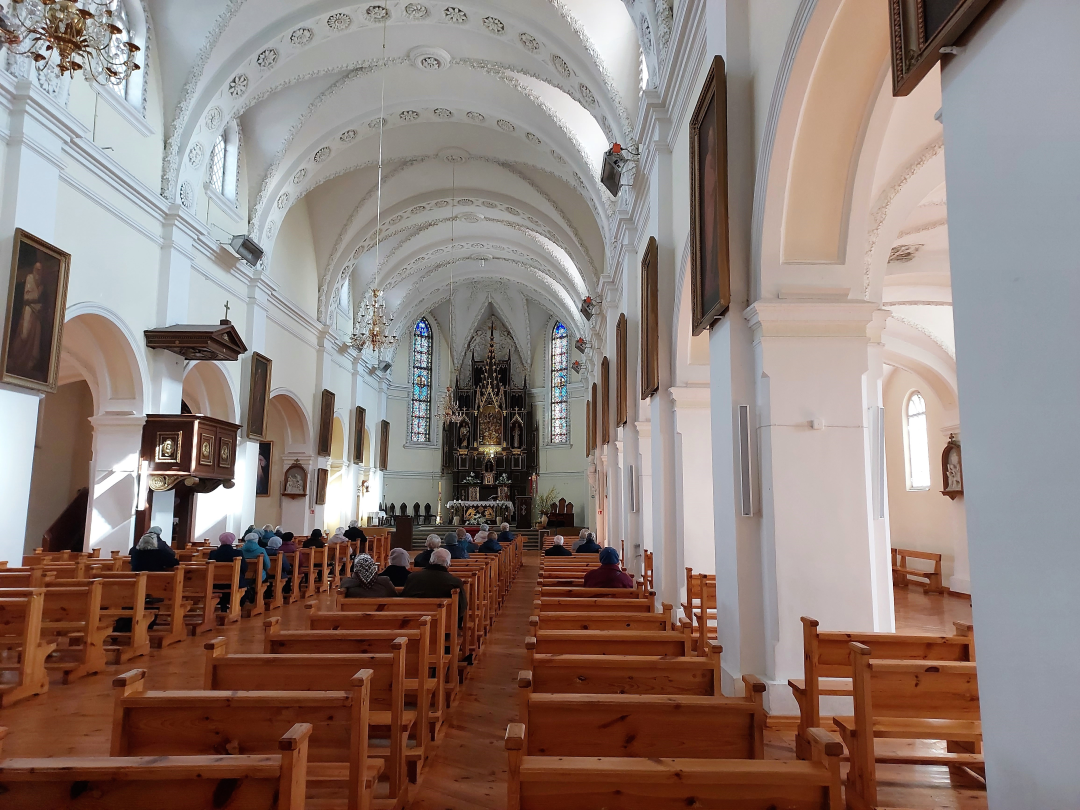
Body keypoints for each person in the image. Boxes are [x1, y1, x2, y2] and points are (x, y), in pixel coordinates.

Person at [402, 548, 467, 624]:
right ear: (448, 564)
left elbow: (404, 598)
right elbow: (462, 608)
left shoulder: (412, 577)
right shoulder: (454, 582)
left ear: (430, 561)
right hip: (443, 625)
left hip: (413, 623)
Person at [207, 532, 245, 610]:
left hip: (215, 583)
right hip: (234, 582)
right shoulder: (237, 553)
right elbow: (244, 567)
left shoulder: (213, 553)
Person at [240, 532, 271, 604]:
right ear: (256, 540)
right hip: (257, 575)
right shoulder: (261, 550)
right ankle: (264, 597)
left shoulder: (240, 550)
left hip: (242, 575)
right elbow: (267, 566)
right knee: (267, 576)